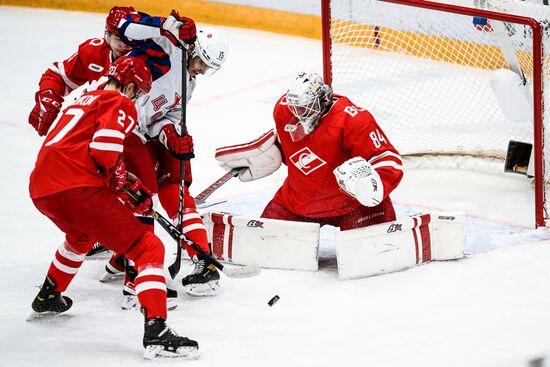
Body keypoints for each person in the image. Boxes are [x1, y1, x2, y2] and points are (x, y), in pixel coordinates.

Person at [28, 56, 199, 359]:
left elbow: (94, 153)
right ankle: (157, 331)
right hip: (75, 187)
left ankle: (49, 295)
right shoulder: (119, 101)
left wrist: (126, 183)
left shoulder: (84, 97)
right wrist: (124, 184)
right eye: (139, 92)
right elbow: (105, 153)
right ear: (130, 85)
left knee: (80, 237)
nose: (137, 99)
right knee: (148, 248)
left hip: (43, 187)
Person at [108, 14, 229, 299]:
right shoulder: (167, 47)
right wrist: (168, 24)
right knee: (143, 194)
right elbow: (124, 24)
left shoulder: (190, 82)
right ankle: (133, 272)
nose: (200, 71)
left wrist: (171, 135)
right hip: (121, 127)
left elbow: (168, 115)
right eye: (201, 63)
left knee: (177, 182)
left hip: (145, 131)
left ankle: (203, 260)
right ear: (193, 51)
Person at [216, 72, 403, 230]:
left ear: (323, 101)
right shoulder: (283, 111)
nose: (298, 113)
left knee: (375, 253)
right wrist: (276, 150)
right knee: (261, 243)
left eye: (306, 107)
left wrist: (372, 186)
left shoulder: (353, 120)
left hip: (354, 206)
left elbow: (388, 158)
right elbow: (296, 148)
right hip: (298, 204)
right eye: (295, 107)